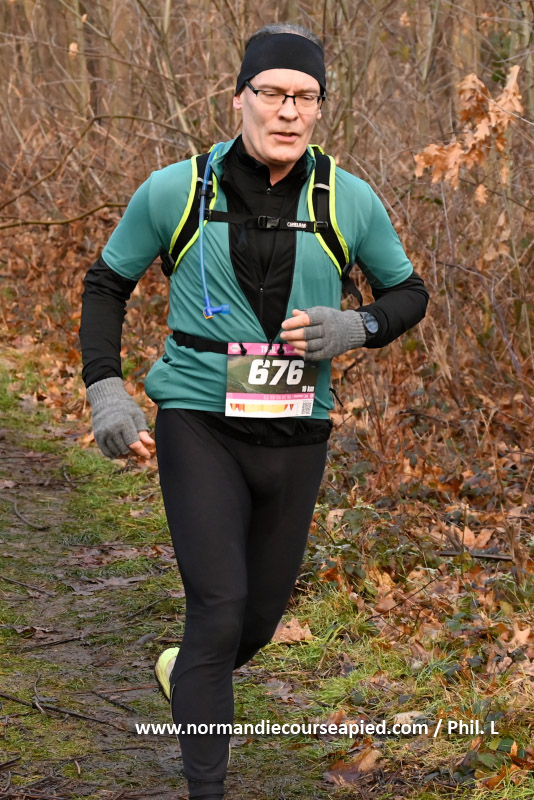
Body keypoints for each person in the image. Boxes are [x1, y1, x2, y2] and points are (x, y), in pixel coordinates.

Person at [80, 22, 429, 800]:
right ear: (239, 97)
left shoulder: (347, 199)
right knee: (218, 607)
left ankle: (187, 672)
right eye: (272, 93)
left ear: (320, 107)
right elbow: (106, 284)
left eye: (306, 97)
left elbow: (409, 293)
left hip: (299, 432)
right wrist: (106, 388)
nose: (288, 111)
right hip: (198, 420)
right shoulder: (175, 191)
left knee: (256, 622)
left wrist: (357, 326)